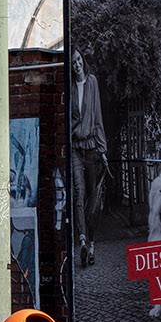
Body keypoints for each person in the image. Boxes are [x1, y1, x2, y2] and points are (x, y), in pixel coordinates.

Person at [71, 48, 107, 267]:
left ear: (82, 60)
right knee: (78, 193)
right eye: (73, 62)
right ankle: (82, 241)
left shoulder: (92, 82)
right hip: (76, 148)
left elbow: (99, 116)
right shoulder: (71, 88)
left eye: (78, 60)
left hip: (92, 148)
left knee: (93, 198)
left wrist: (103, 149)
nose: (76, 65)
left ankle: (92, 245)